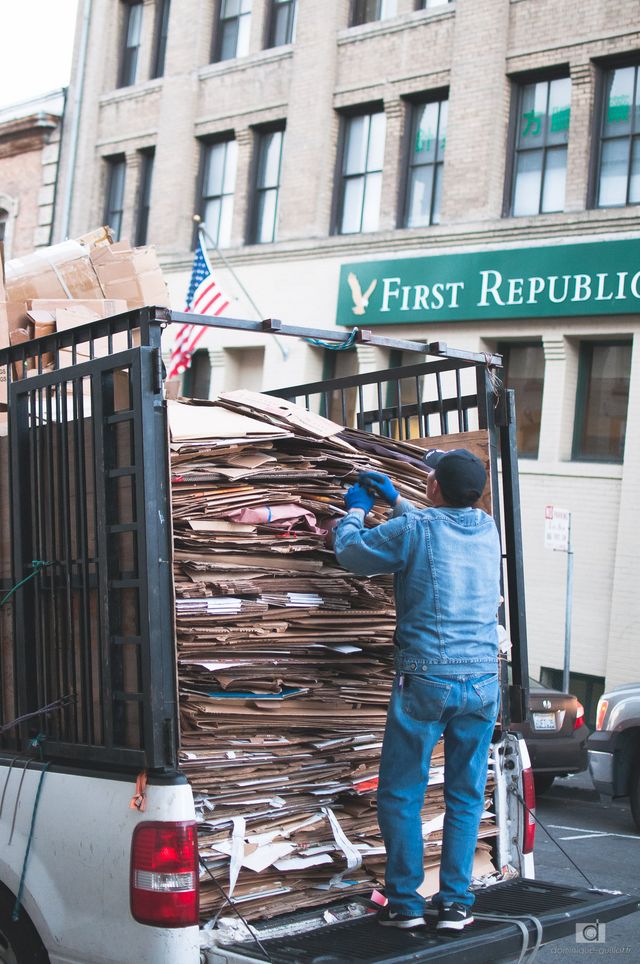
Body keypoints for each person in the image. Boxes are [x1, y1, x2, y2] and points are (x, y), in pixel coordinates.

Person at [333, 449, 501, 932]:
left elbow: (353, 553)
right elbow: (436, 533)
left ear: (433, 488)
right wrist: (399, 501)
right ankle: (455, 904)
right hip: (483, 682)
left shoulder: (416, 529)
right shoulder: (487, 529)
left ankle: (405, 904)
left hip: (428, 681)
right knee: (466, 795)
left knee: (402, 793)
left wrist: (357, 510)